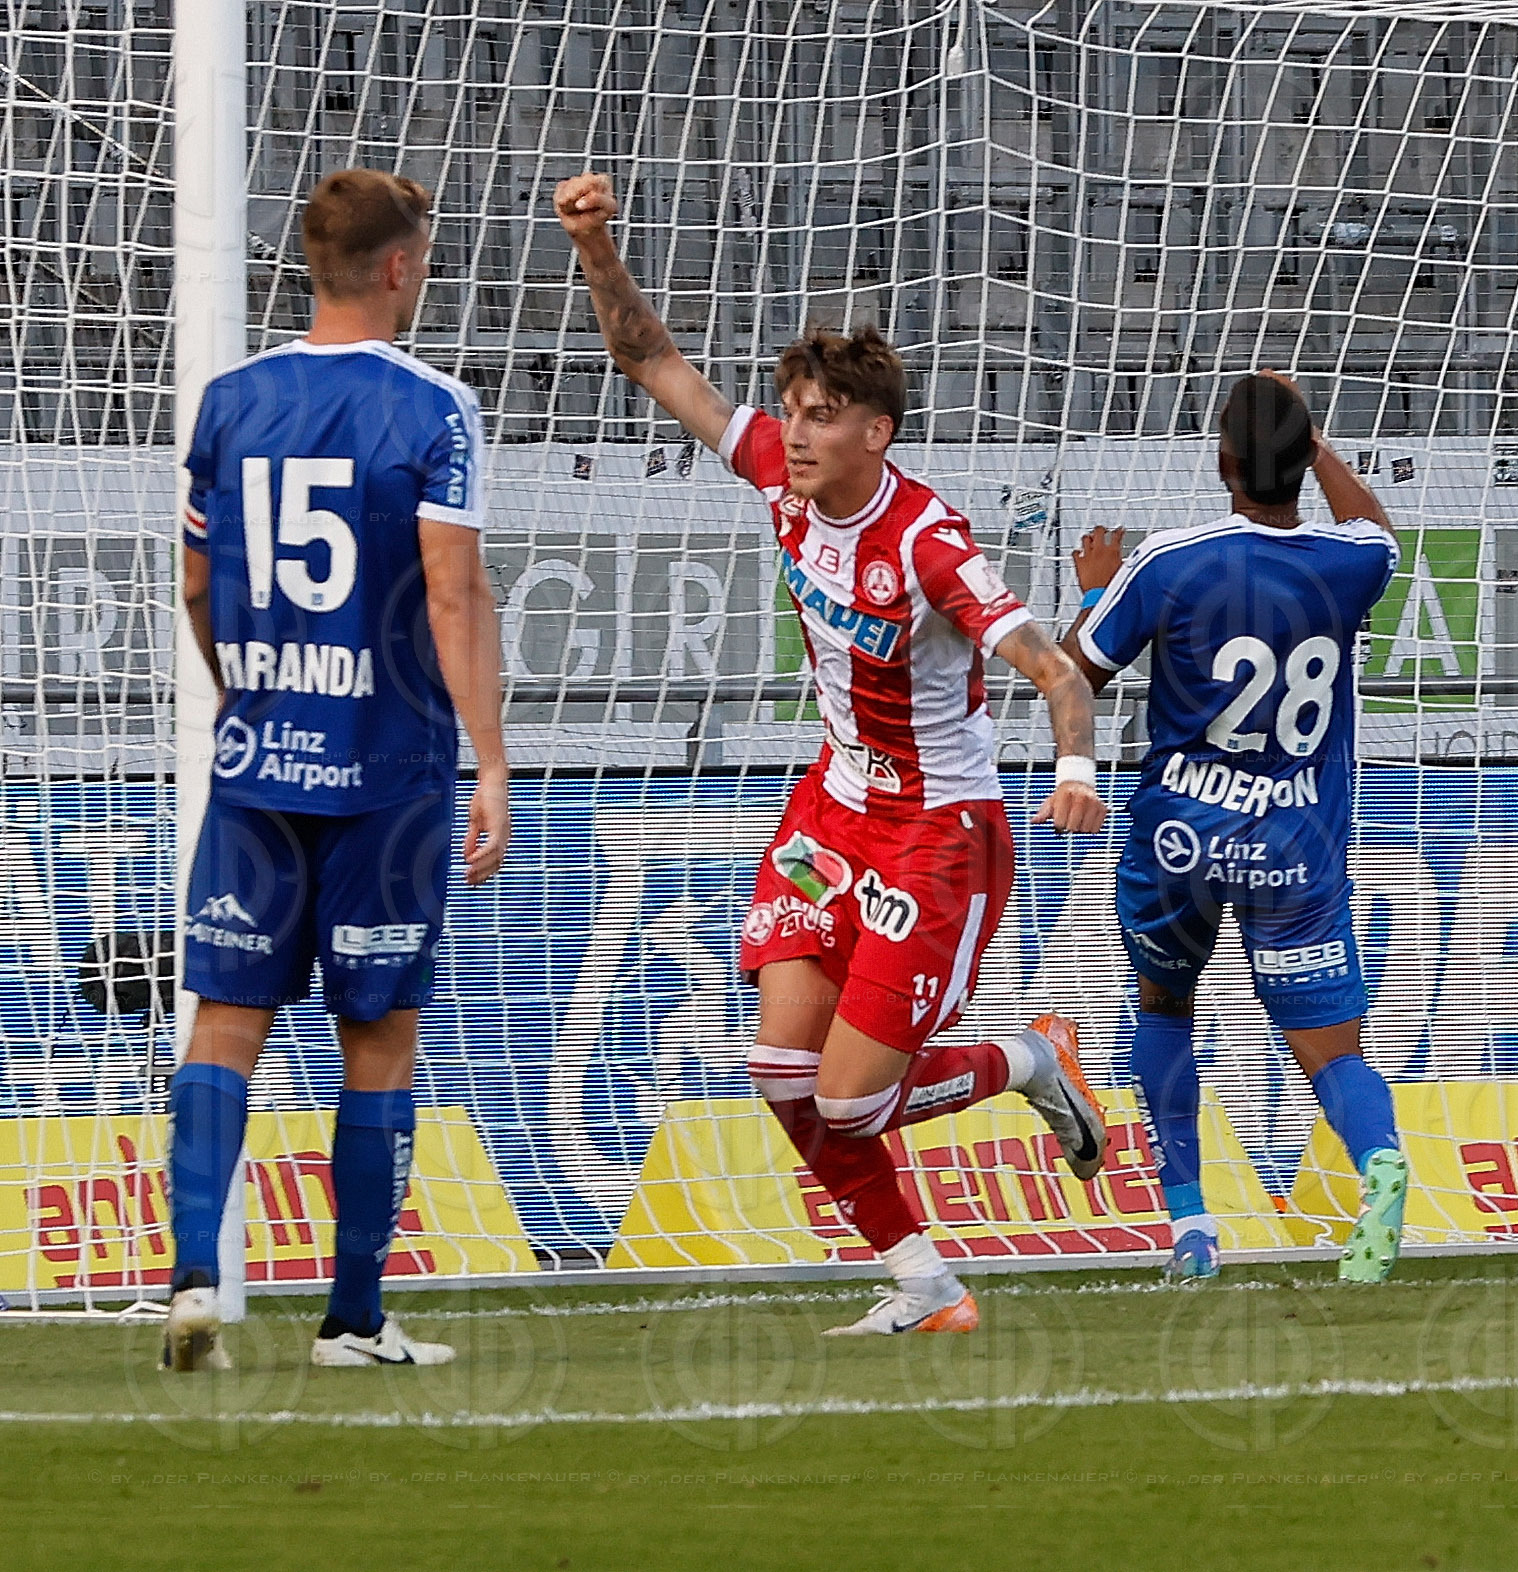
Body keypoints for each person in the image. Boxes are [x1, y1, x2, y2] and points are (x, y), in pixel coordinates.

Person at [555, 171, 1109, 1334]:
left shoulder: (929, 542)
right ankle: (927, 1286)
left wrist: (1072, 773)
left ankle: (1027, 1058)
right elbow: (649, 357)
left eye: (818, 416)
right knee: (778, 1076)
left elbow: (1056, 671)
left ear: (876, 432)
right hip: (831, 811)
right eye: (789, 411)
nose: (793, 432)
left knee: (852, 1106)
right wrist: (598, 246)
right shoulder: (776, 476)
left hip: (935, 839)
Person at [165, 168, 509, 1370]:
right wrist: (495, 766)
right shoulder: (432, 406)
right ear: (401, 266)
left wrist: (243, 693)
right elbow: (455, 592)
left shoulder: (228, 398)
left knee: (223, 1023)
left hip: (257, 762)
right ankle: (354, 1318)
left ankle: (195, 1272)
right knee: (379, 1040)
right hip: (389, 769)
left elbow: (200, 585)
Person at [1060, 371, 1408, 1283]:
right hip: (1296, 844)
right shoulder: (1350, 567)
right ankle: (1379, 1162)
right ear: (1303, 462)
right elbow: (1375, 527)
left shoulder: (1171, 561)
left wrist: (1097, 592)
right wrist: (1313, 438)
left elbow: (1069, 674)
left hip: (1181, 840)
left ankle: (1191, 1230)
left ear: (1221, 462)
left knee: (1164, 1008)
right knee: (1332, 1052)